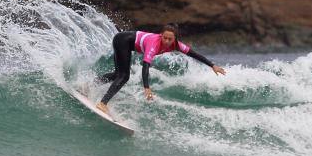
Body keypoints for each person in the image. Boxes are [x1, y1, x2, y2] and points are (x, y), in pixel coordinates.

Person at [95, 23, 226, 115]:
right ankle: (103, 104)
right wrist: (146, 87)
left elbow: (193, 54)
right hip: (122, 40)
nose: (167, 41)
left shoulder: (177, 45)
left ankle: (90, 84)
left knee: (118, 74)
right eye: (165, 38)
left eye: (170, 39)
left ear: (175, 39)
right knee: (124, 76)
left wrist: (212, 65)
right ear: (160, 35)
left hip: (127, 43)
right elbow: (145, 66)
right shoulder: (154, 44)